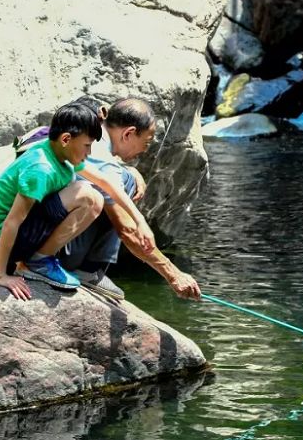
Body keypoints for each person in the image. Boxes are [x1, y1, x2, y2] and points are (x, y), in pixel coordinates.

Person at [0, 101, 153, 301]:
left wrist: (140, 221)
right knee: (87, 195)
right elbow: (12, 221)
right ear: (66, 139)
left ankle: (39, 260)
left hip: (21, 234)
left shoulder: (60, 154)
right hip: (2, 239)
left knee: (95, 196)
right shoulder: (41, 168)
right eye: (87, 146)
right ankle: (37, 263)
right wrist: (1, 275)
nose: (89, 153)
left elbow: (105, 182)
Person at [61, 98, 202, 301]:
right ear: (128, 133)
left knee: (125, 179)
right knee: (120, 186)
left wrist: (128, 169)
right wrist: (173, 275)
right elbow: (127, 230)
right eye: (146, 142)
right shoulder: (105, 163)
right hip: (50, 250)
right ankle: (88, 270)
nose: (145, 149)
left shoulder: (86, 134)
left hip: (24, 236)